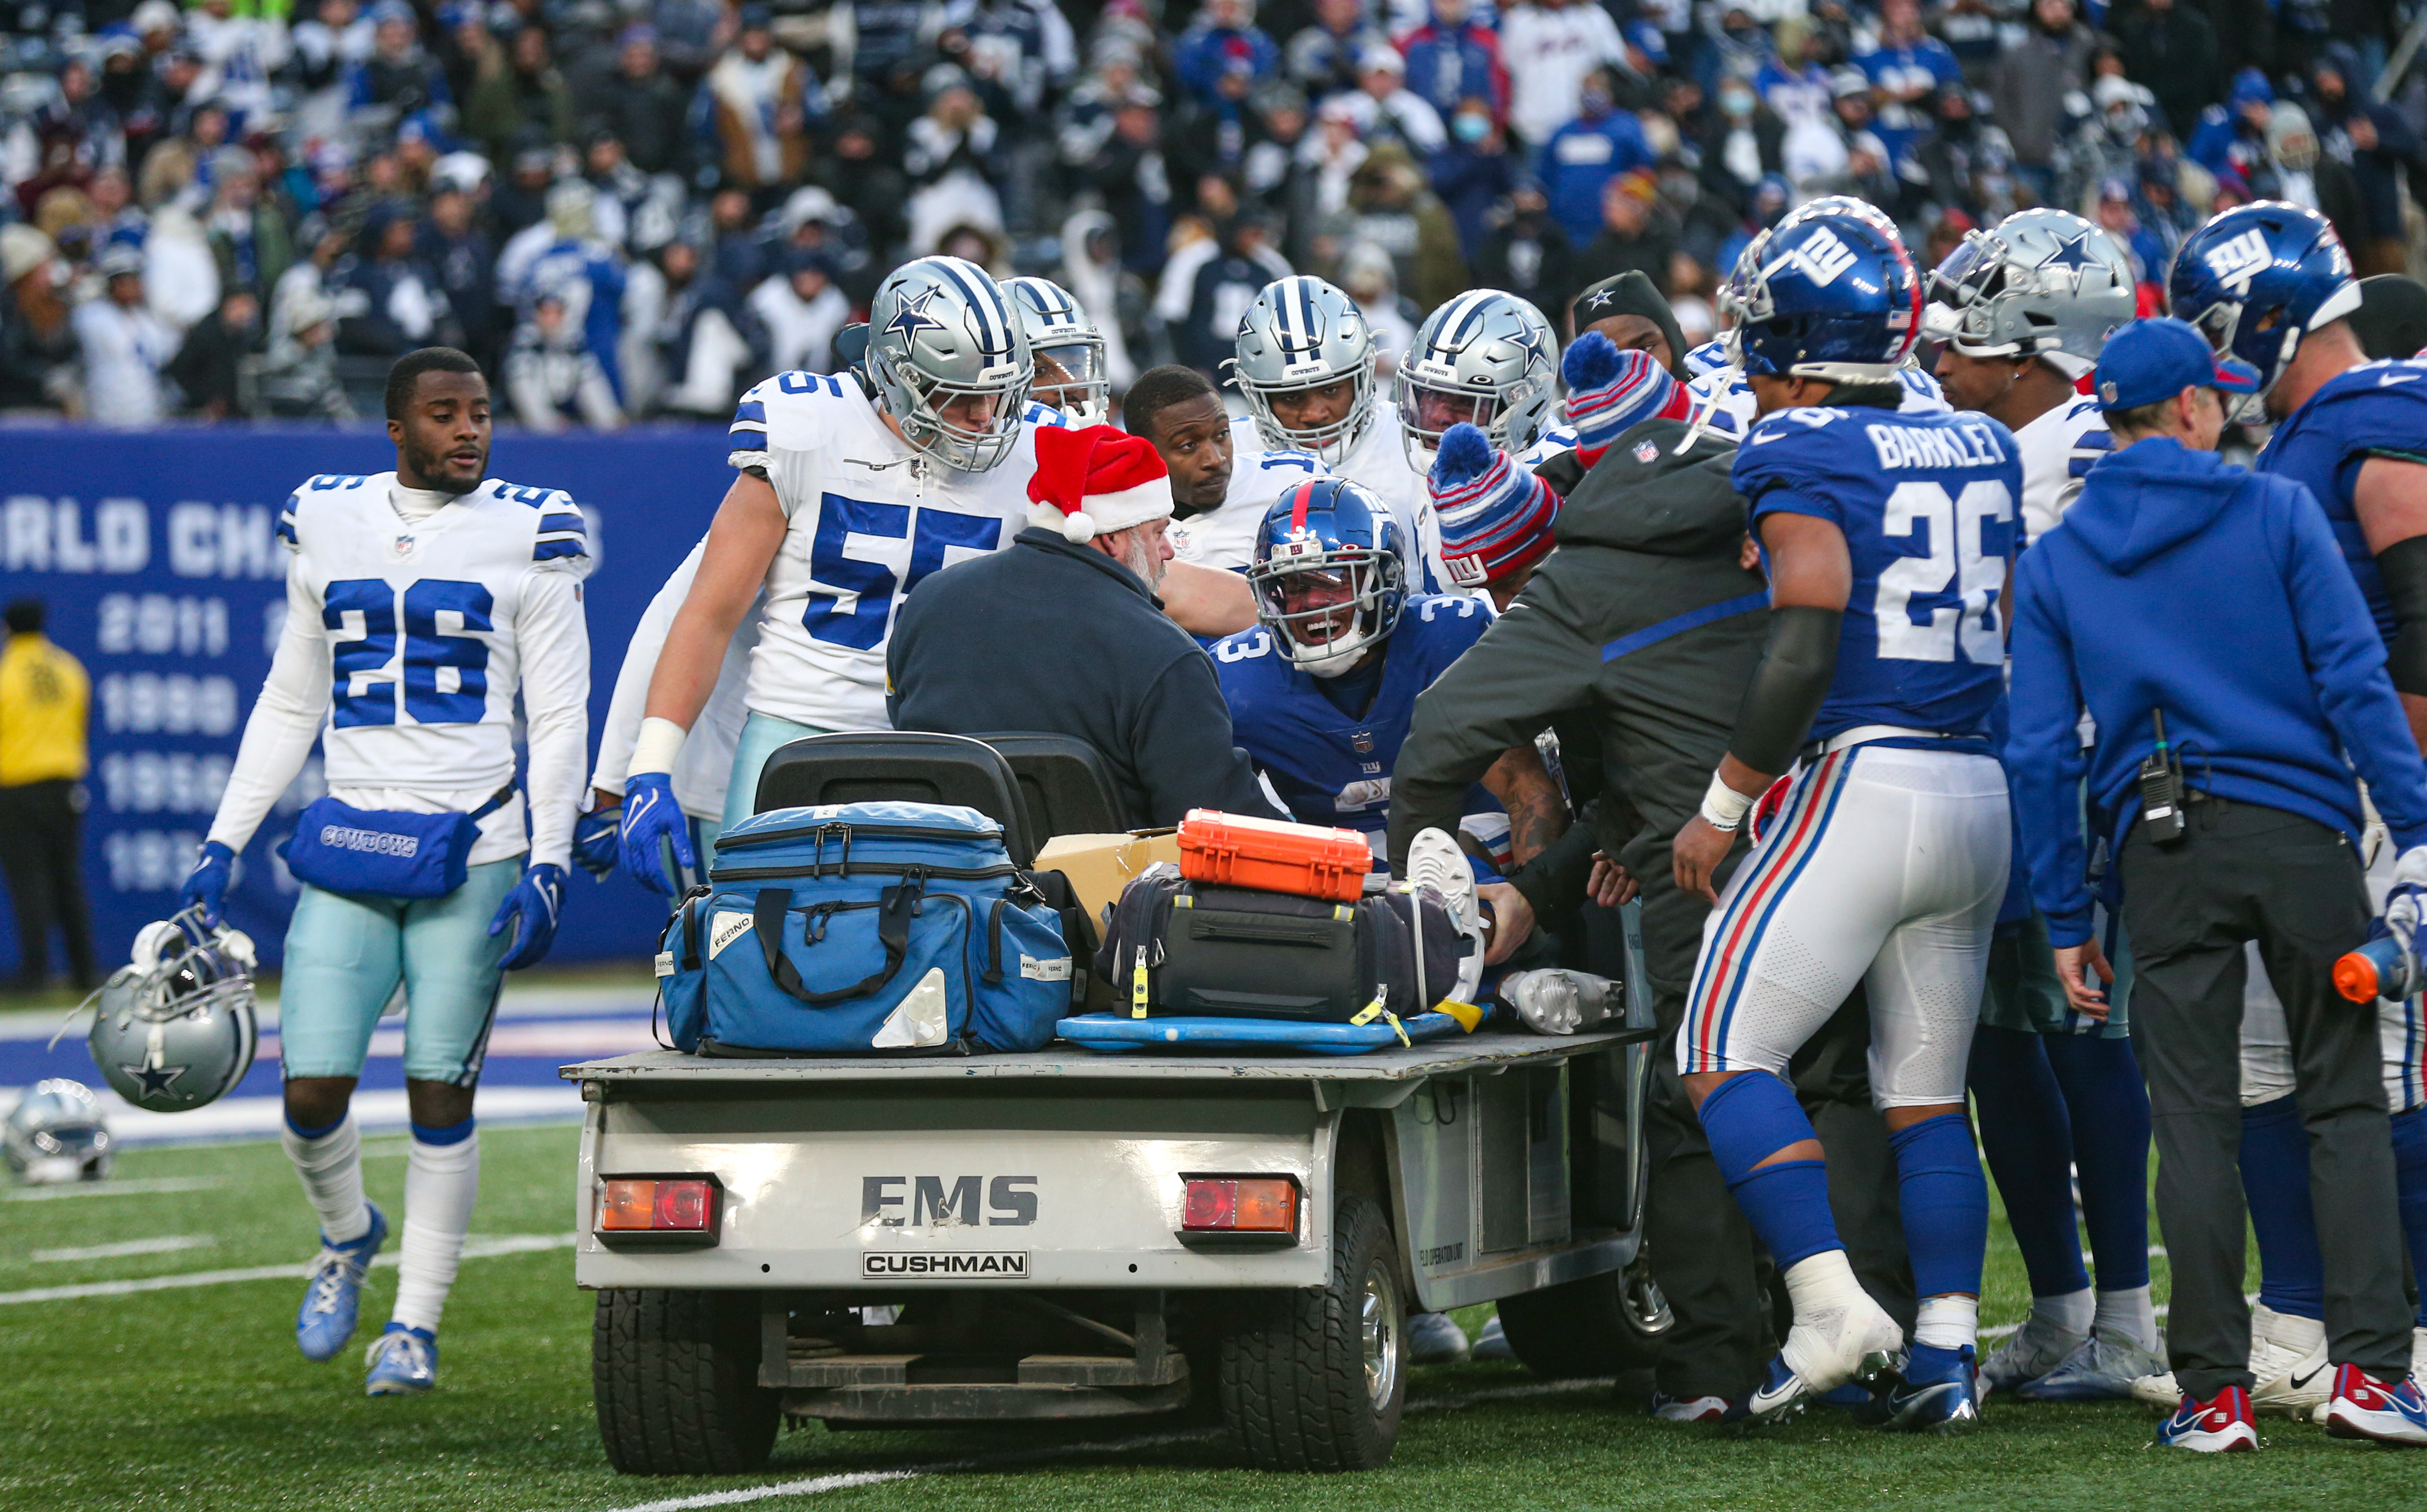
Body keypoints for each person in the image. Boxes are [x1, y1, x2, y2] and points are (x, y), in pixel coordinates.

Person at [2007, 316, 2427, 1450]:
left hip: (2158, 848)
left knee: (2190, 1120)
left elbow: (2039, 749)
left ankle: (2210, 1394)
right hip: (2299, 835)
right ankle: (2370, 1377)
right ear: (2193, 406)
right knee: (2340, 1098)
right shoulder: (2274, 508)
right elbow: (2351, 674)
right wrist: (2422, 826)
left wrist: (2063, 913)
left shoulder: (2054, 557)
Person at [177, 347, 590, 1396]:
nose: (469, 431)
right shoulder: (325, 516)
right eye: (444, 414)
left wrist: (548, 858)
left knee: (437, 1096)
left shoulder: (531, 528)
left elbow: (555, 715)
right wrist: (226, 837)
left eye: (481, 413)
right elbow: (289, 697)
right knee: (310, 1091)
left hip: (476, 848)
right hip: (354, 845)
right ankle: (347, 1233)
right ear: (396, 427)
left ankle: (414, 1324)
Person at [1669, 206, 2020, 1430]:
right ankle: (1945, 1354)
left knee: (1717, 1047)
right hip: (1978, 785)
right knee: (1924, 1089)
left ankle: (1828, 1306)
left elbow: (1807, 623)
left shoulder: (1798, 447)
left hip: (1862, 778)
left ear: (1780, 338)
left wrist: (1723, 803)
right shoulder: (1977, 438)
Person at [1391, 333, 1775, 1418]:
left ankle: (1717, 1363)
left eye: (1511, 574)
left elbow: (1445, 741)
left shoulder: (1576, 585)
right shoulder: (1745, 500)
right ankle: (1885, 1336)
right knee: (1838, 1085)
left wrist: (1424, 881)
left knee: (1695, 1089)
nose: (1506, 595)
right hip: (1814, 823)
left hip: (1698, 853)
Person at [2170, 200, 2427, 1407]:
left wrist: (2410, 813)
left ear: (2266, 316)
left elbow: (2422, 627)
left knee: (2382, 1058)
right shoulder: (2312, 429)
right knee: (2264, 1053)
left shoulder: (2377, 417)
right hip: (2316, 792)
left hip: (2384, 788)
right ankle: (2299, 1321)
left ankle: (2413, 1332)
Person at [1922, 207, 2162, 1400]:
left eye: (1965, 324)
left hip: (2070, 784)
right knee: (1997, 1047)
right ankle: (2064, 1310)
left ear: (2028, 339)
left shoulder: (2076, 450)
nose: (1940, 351)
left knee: (2084, 1043)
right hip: (1998, 777)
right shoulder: (2003, 443)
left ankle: (2126, 1324)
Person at [616, 257, 1043, 892]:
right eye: (960, 395)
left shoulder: (1039, 451)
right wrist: (648, 766)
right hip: (799, 731)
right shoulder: (807, 429)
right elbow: (707, 614)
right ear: (898, 378)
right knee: (755, 954)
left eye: (998, 393)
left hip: (950, 743)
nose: (986, 416)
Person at [888, 424, 1278, 825]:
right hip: (1094, 886)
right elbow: (1216, 821)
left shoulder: (927, 602)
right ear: (1112, 539)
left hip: (938, 875)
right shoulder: (1164, 655)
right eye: (1160, 532)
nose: (1167, 551)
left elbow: (907, 729)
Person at [1226, 274, 1447, 593]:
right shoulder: (1227, 458)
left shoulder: (1414, 442)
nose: (1315, 414)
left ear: (1364, 373)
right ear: (1256, 395)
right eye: (1290, 397)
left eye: (1331, 390)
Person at [0, 599, 97, 994]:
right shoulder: (69, 670)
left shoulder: (6, 673)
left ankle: (36, 973)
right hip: (64, 786)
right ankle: (84, 971)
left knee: (29, 883)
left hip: (17, 787)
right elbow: (82, 723)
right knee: (68, 882)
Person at [74, 244, 174, 427]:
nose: (134, 287)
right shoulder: (92, 316)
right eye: (126, 281)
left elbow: (167, 353)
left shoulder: (147, 321)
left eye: (136, 280)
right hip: (107, 412)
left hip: (147, 411)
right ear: (112, 283)